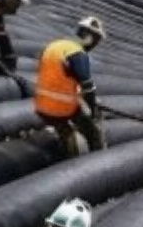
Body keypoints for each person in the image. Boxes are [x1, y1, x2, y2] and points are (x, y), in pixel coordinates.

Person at [34, 17, 107, 157]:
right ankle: (96, 161)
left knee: (65, 128)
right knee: (92, 131)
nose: (95, 45)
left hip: (42, 103)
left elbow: (60, 77)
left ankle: (65, 149)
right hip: (60, 106)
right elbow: (88, 86)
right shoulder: (77, 53)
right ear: (90, 36)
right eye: (96, 40)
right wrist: (93, 108)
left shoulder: (57, 45)